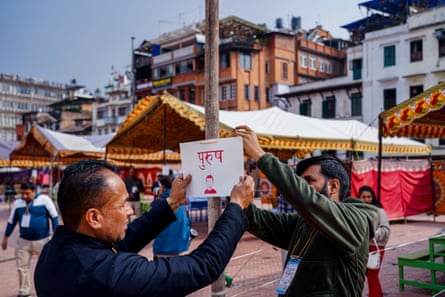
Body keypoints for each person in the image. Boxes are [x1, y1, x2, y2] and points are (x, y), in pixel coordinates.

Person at [34, 159, 254, 297]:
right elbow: (202, 266)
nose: (130, 211)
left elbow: (128, 239)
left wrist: (172, 203)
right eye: (122, 205)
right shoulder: (112, 275)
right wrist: (235, 207)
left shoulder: (54, 252)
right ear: (94, 217)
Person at [235, 125, 378, 297]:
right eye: (300, 182)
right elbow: (257, 219)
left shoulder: (356, 219)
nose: (303, 188)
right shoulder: (302, 223)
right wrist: (237, 197)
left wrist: (260, 155)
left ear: (333, 186)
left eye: (308, 181)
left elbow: (308, 200)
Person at [2, 181, 59, 297]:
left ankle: (49, 291)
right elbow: (12, 221)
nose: (24, 196)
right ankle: (24, 292)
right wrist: (5, 237)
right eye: (22, 194)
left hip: (42, 240)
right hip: (24, 241)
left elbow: (54, 217)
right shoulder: (18, 203)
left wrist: (56, 235)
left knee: (47, 266)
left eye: (27, 193)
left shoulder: (44, 200)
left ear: (34, 191)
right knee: (22, 268)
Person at [359, 185, 391, 297]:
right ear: (359, 198)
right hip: (362, 248)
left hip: (375, 248)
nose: (366, 199)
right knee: (362, 276)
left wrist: (371, 235)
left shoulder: (379, 211)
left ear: (373, 197)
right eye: (363, 197)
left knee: (372, 276)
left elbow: (386, 230)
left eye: (369, 197)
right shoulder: (357, 210)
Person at [153, 176, 190, 257]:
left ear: (163, 187)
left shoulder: (160, 202)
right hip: (181, 248)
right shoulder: (181, 202)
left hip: (162, 248)